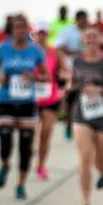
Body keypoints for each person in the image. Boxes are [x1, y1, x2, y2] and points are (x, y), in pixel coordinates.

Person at [0, 15, 49, 200]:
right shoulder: (3, 48)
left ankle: (21, 184)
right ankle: (5, 165)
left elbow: (47, 77)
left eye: (23, 27)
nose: (20, 31)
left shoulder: (35, 51)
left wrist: (34, 77)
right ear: (12, 30)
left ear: (27, 30)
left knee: (25, 145)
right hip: (6, 99)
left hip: (27, 102)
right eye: (16, 27)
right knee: (5, 138)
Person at [64, 25, 103, 205]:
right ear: (82, 40)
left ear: (100, 40)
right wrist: (69, 86)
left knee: (99, 160)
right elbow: (73, 83)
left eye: (94, 36)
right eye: (87, 36)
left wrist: (101, 90)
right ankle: (86, 203)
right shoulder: (77, 62)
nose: (90, 40)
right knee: (84, 159)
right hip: (82, 115)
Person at [32, 22, 63, 181]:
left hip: (50, 98)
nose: (42, 36)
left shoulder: (54, 52)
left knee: (46, 134)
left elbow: (64, 71)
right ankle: (30, 152)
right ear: (35, 34)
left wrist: (64, 86)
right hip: (31, 99)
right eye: (39, 33)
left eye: (45, 33)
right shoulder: (29, 52)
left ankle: (41, 166)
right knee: (32, 133)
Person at [56, 9, 90, 140]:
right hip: (70, 69)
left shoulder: (89, 32)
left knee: (83, 100)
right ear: (77, 19)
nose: (84, 22)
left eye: (86, 20)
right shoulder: (68, 31)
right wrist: (72, 52)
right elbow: (58, 47)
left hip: (86, 71)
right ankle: (68, 123)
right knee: (71, 101)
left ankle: (82, 127)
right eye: (82, 20)